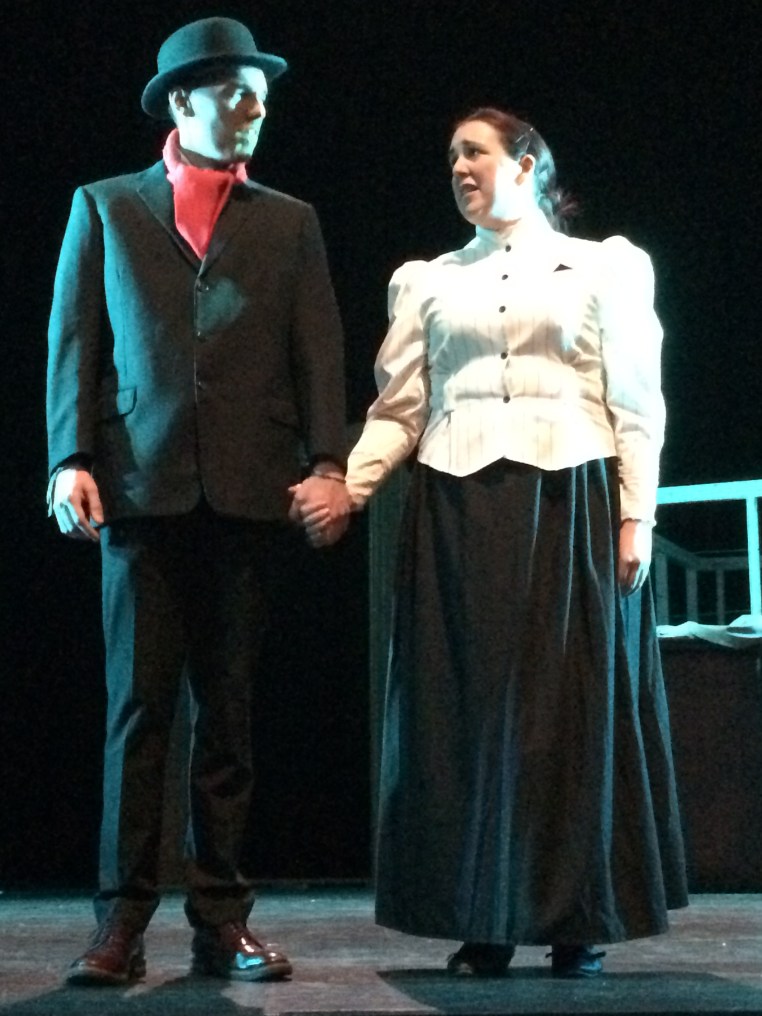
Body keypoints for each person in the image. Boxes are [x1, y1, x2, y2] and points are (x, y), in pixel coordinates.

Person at [290, 107, 688, 977]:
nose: (459, 168)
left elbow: (637, 402)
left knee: (568, 714)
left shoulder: (605, 266)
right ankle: (486, 918)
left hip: (569, 500)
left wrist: (637, 516)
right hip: (456, 509)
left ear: (528, 163)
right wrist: (352, 487)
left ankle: (577, 918)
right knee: (468, 717)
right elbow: (400, 407)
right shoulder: (427, 282)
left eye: (475, 152)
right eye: (451, 158)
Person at [47, 16, 348, 986]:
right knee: (139, 714)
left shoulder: (289, 220)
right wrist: (70, 456)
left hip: (251, 490)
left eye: (261, 95)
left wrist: (329, 461)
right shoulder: (106, 206)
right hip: (141, 487)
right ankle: (119, 925)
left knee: (229, 718)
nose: (256, 107)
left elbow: (318, 349)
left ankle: (222, 921)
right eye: (237, 92)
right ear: (183, 101)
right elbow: (77, 341)